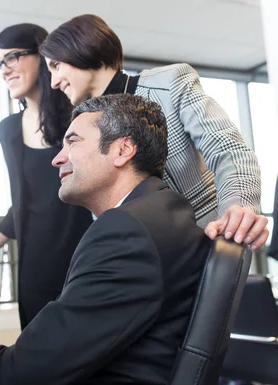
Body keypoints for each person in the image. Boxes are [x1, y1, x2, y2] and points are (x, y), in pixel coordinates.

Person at [0, 94, 211, 385]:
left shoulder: (125, 232)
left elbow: (26, 374)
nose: (57, 158)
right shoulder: (169, 212)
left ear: (122, 149)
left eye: (72, 142)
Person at [39, 14, 268, 250]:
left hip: (206, 241)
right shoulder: (84, 125)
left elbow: (228, 150)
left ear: (82, 48)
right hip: (140, 254)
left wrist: (239, 206)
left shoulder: (170, 84)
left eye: (56, 66)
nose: (54, 82)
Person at [0, 23, 93, 329]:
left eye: (13, 57)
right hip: (34, 270)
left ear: (43, 56)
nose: (5, 70)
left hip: (84, 261)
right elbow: (24, 203)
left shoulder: (82, 117)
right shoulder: (8, 130)